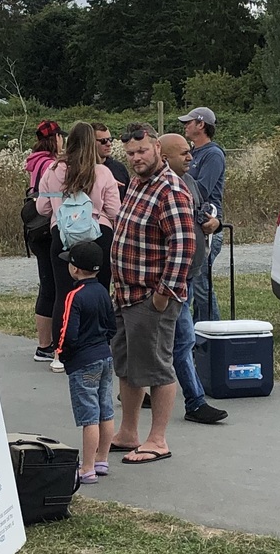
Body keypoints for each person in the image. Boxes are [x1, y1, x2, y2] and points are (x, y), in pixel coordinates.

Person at [106, 125, 196, 465]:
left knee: (157, 367)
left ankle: (157, 439)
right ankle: (129, 432)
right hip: (126, 294)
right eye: (130, 153)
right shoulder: (137, 184)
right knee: (128, 366)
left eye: (142, 151)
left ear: (157, 147)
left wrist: (164, 294)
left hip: (152, 296)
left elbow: (184, 245)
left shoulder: (170, 189)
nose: (136, 158)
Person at [159, 133, 228, 425]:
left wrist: (214, 222)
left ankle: (185, 399)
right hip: (169, 279)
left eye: (190, 152)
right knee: (180, 340)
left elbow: (201, 214)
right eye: (184, 153)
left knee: (176, 341)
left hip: (187, 274)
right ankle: (195, 401)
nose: (190, 158)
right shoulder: (160, 189)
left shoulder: (188, 184)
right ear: (164, 158)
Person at [35, 121, 121, 303]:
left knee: (63, 297)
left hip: (63, 234)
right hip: (98, 234)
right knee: (100, 292)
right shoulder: (103, 172)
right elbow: (115, 212)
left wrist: (57, 200)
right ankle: (98, 331)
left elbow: (42, 208)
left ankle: (64, 330)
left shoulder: (54, 170)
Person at [55, 239, 118, 484]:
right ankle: (102, 459)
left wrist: (62, 352)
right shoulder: (103, 291)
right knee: (105, 410)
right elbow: (112, 326)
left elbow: (67, 332)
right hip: (104, 355)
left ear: (75, 268)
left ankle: (87, 468)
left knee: (89, 416)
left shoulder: (74, 296)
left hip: (83, 362)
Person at [179, 106, 226, 322]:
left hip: (207, 226)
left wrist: (179, 179)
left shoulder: (213, 154)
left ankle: (209, 334)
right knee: (193, 283)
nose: (185, 126)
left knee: (201, 284)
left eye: (189, 122)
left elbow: (204, 190)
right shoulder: (193, 153)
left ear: (201, 125)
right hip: (191, 224)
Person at [25, 120, 66, 359]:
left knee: (46, 283)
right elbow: (48, 199)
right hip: (46, 227)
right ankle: (46, 344)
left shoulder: (34, 160)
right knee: (50, 285)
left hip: (34, 229)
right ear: (56, 138)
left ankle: (45, 343)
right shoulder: (50, 164)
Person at [93, 123, 130, 196]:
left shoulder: (119, 168)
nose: (109, 144)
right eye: (103, 141)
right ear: (91, 142)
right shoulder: (83, 171)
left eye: (110, 139)